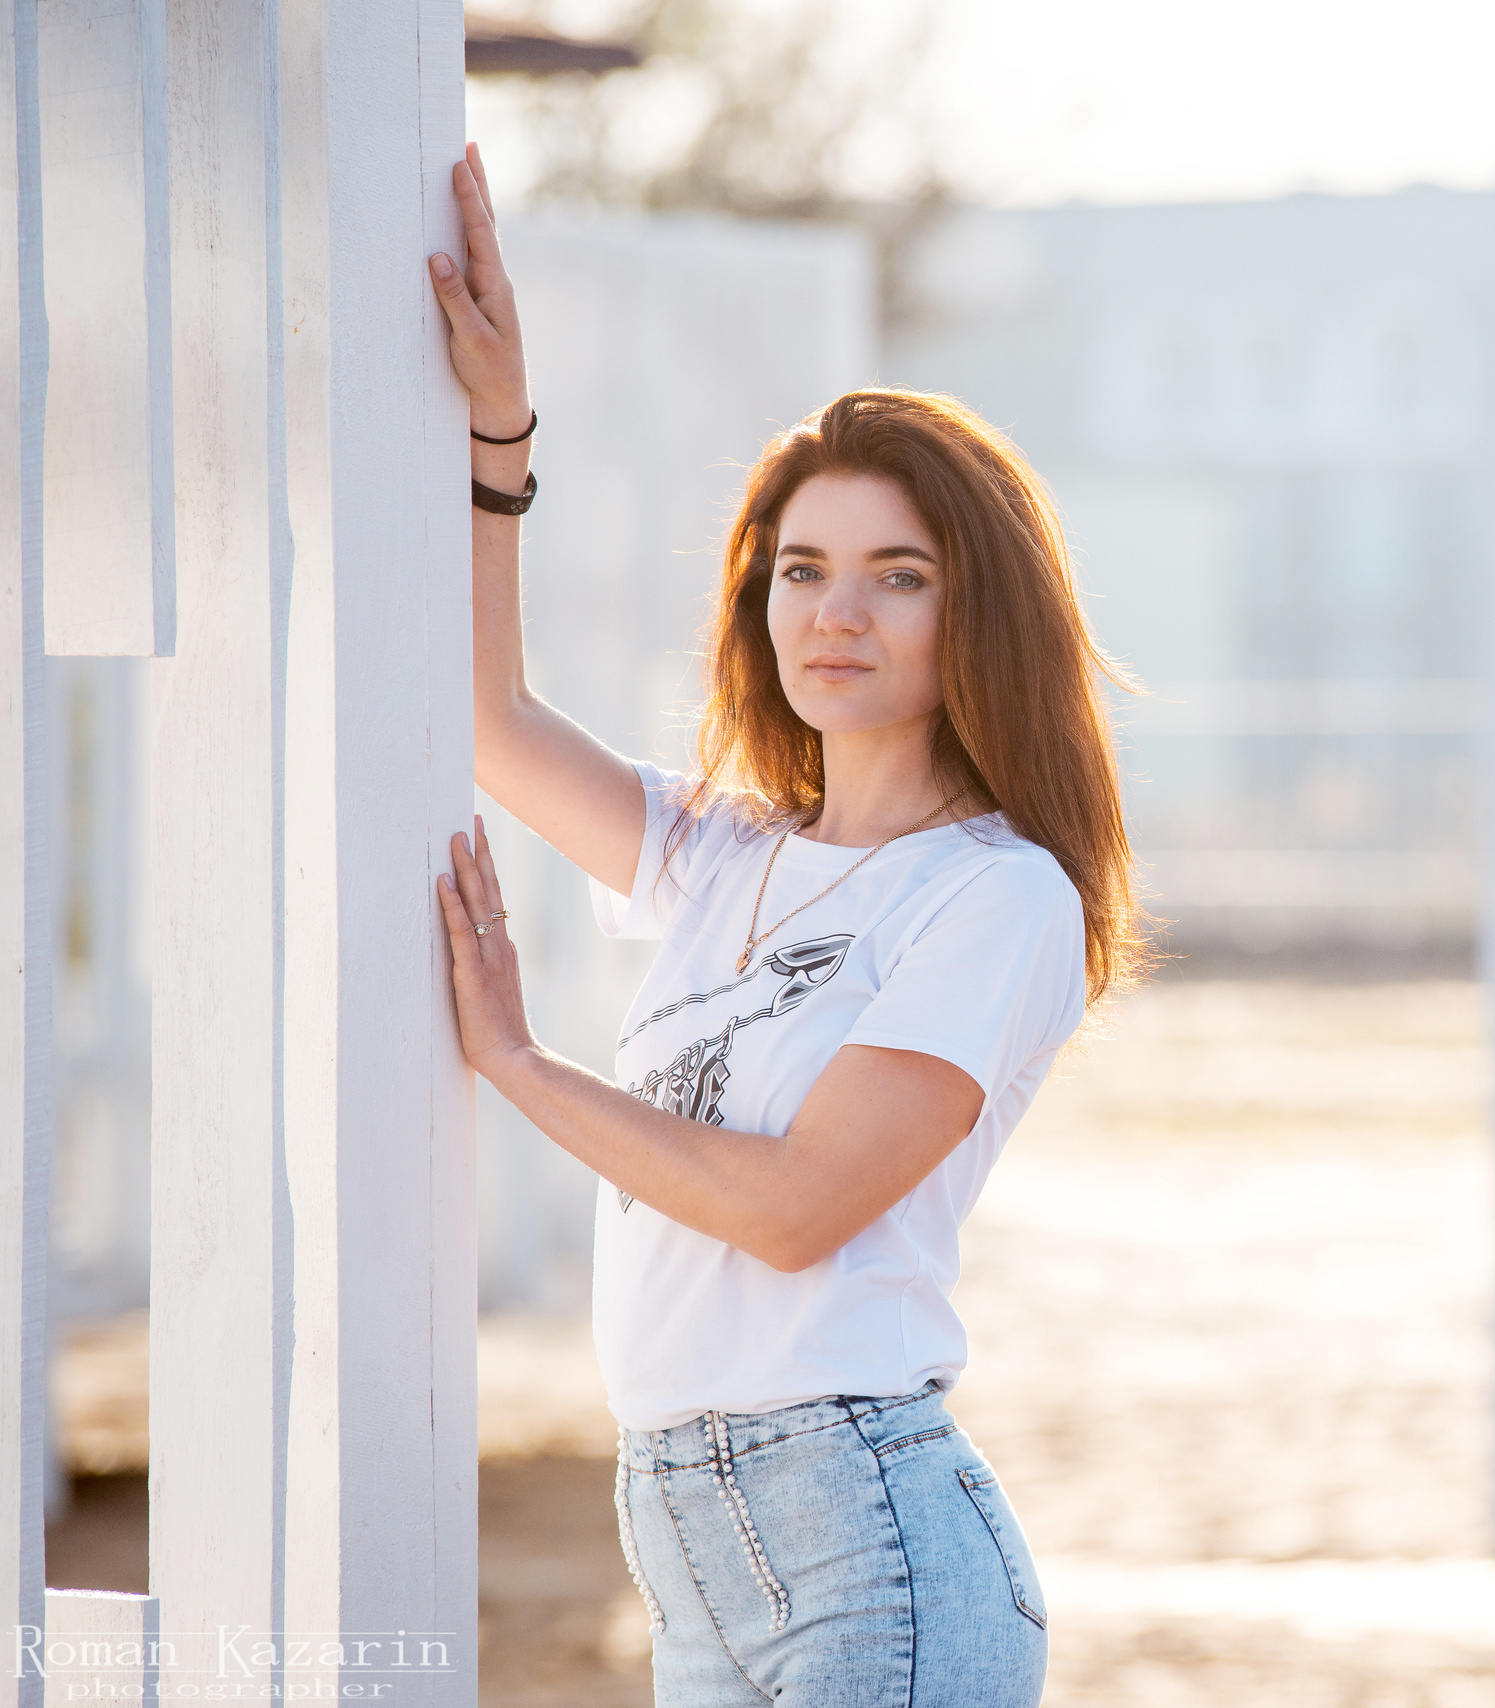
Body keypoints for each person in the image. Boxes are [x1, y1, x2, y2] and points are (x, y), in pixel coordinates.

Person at [425, 145, 1141, 1708]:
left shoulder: (997, 894)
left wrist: (524, 1068)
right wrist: (497, 429)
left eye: (899, 576)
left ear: (979, 612)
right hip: (686, 1537)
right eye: (803, 569)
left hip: (865, 1541)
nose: (838, 613)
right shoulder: (714, 849)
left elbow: (799, 1209)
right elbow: (482, 714)